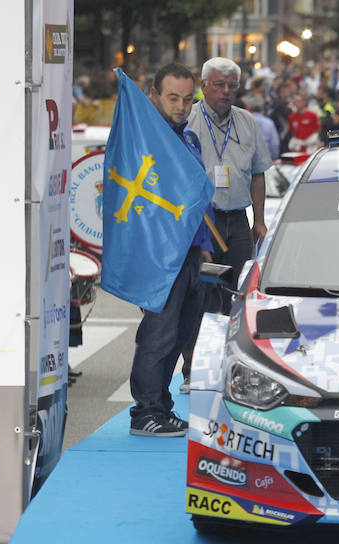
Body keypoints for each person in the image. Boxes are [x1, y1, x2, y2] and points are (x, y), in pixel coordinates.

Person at [129, 63, 214, 436]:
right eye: (172, 98)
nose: (181, 106)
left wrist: (205, 247)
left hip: (192, 253)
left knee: (181, 333)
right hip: (162, 255)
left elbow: (198, 201)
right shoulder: (147, 143)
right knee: (159, 334)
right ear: (154, 97)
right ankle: (145, 410)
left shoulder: (189, 139)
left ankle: (160, 406)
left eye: (187, 98)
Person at [188, 57, 272, 312]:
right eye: (219, 85)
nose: (226, 91)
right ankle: (199, 348)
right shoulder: (189, 120)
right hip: (203, 222)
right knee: (204, 291)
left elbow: (258, 173)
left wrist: (258, 220)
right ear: (203, 86)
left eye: (232, 86)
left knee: (239, 291)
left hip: (237, 221)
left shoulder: (246, 121)